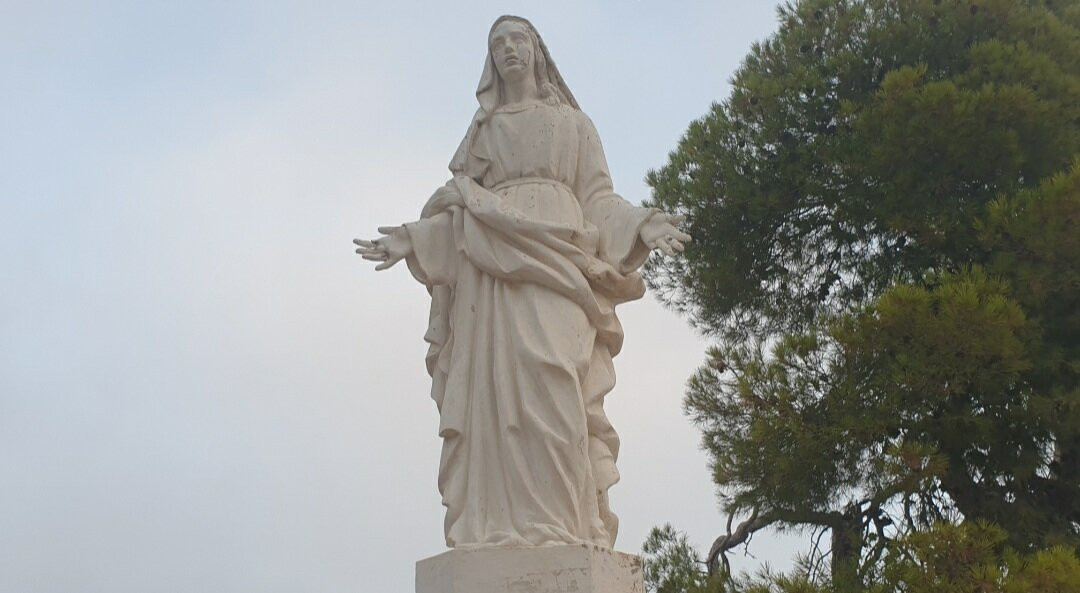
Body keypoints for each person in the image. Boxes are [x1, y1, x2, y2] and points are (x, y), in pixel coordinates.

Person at [354, 15, 689, 549]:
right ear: (490, 60)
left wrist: (642, 224)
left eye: (518, 40)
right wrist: (412, 239)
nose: (509, 49)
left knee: (555, 378)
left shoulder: (574, 125)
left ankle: (568, 523)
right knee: (495, 394)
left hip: (561, 260)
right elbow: (462, 208)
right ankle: (497, 527)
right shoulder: (483, 132)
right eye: (498, 43)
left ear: (537, 51)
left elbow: (599, 199)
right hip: (491, 268)